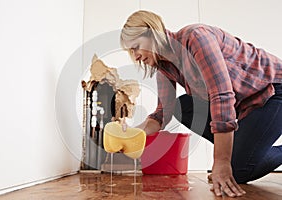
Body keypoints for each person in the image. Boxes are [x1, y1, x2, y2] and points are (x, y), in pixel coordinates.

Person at [120, 10, 282, 197]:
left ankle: (233, 158)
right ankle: (234, 154)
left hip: (272, 91)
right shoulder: (164, 67)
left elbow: (221, 96)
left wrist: (221, 161)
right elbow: (161, 114)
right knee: (183, 107)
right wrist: (132, 134)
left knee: (238, 171)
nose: (136, 56)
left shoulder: (195, 37)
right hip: (244, 104)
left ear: (152, 32)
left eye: (136, 47)